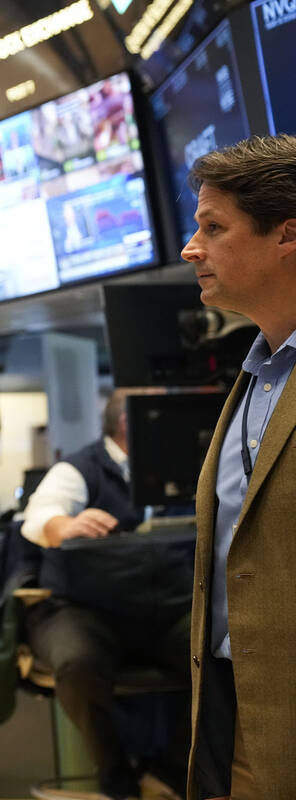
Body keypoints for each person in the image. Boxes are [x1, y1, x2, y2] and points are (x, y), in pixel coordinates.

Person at [180, 134, 296, 800]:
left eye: (213, 228)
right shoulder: (253, 376)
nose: (192, 248)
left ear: (286, 235)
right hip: (229, 708)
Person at [21, 391, 192, 800]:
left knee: (230, 655)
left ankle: (172, 766)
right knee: (78, 662)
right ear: (131, 424)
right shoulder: (80, 467)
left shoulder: (185, 466)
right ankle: (115, 775)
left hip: (169, 608)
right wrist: (66, 525)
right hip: (84, 608)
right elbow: (41, 514)